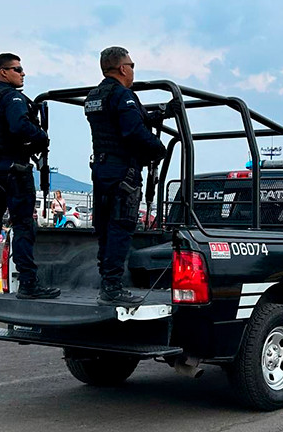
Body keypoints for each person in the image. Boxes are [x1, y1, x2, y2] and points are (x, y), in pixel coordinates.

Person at [85, 46, 180, 306]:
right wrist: (157, 149)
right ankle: (112, 288)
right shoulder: (123, 95)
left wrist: (160, 114)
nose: (133, 70)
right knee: (121, 227)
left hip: (101, 169)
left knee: (105, 228)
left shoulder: (95, 96)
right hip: (122, 172)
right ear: (123, 68)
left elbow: (125, 120)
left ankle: (106, 282)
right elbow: (132, 131)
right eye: (132, 64)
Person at [0, 52, 60, 299]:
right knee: (23, 226)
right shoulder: (12, 98)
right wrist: (40, 137)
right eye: (18, 69)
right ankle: (29, 283)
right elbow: (19, 127)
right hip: (14, 170)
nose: (23, 73)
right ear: (3, 72)